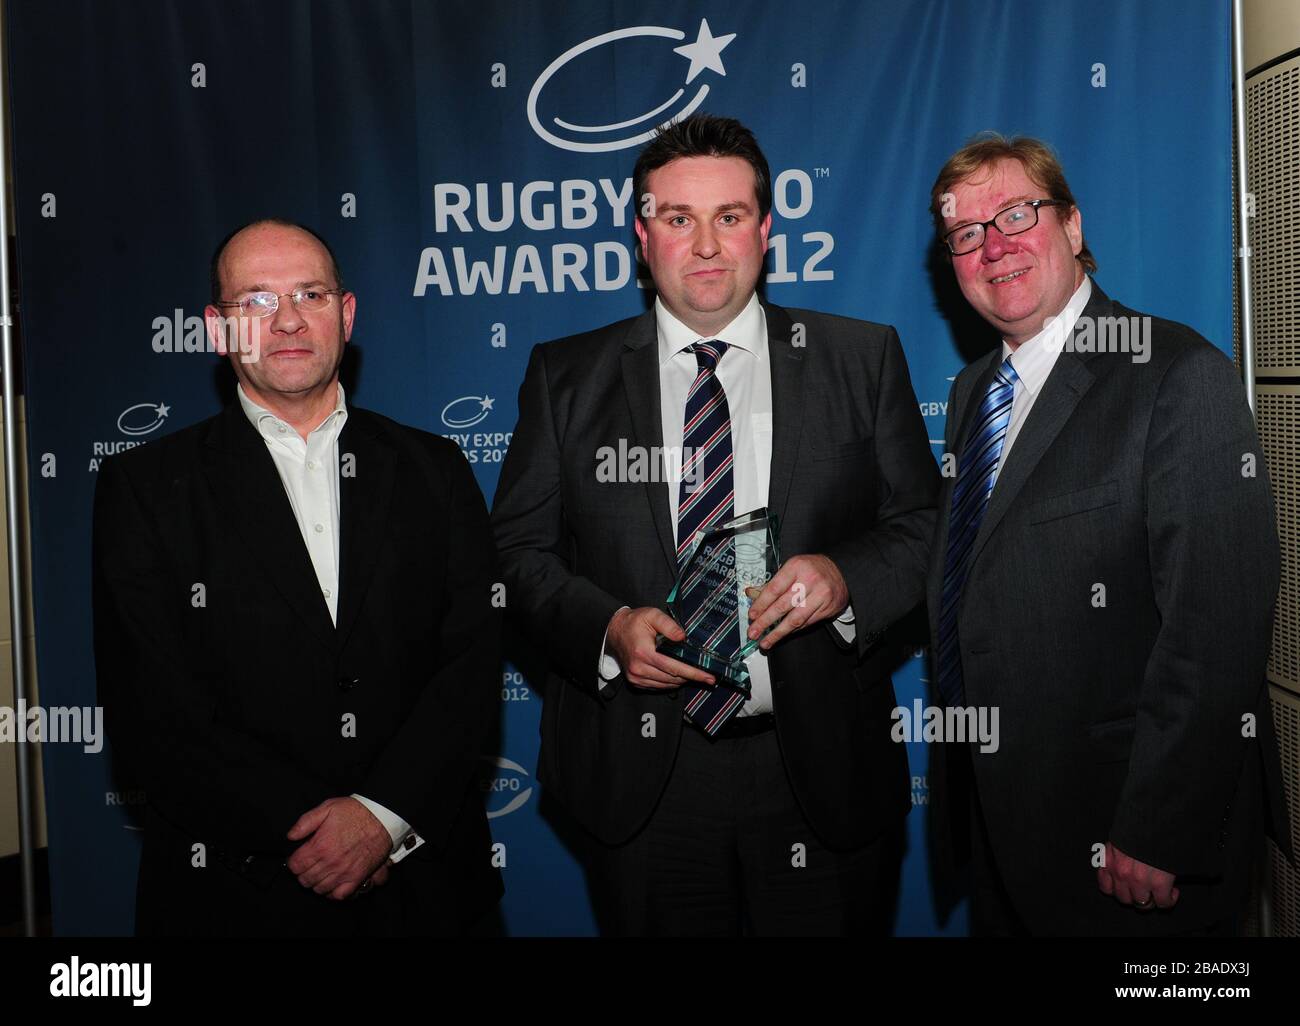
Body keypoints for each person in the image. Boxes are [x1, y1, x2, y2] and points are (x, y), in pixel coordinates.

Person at [490, 114, 938, 935]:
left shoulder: (860, 357)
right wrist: (608, 628)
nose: (705, 245)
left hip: (820, 772)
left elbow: (924, 527)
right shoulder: (565, 378)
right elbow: (516, 555)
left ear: (765, 231)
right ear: (641, 233)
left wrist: (846, 581)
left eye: (729, 217)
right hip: (644, 781)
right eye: (677, 218)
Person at [93, 219, 502, 936]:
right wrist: (316, 838)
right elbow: (153, 708)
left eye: (309, 294)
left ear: (345, 316)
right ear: (218, 332)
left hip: (425, 891)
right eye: (255, 301)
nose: (285, 320)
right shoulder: (148, 488)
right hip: (237, 896)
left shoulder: (434, 470)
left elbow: (468, 669)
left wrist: (380, 820)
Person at [926, 134, 1292, 935]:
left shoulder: (1177, 374)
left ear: (1074, 226)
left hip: (1128, 844)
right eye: (965, 233)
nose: (994, 246)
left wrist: (1158, 827)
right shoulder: (971, 395)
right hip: (1003, 824)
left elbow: (1218, 623)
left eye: (1017, 214)